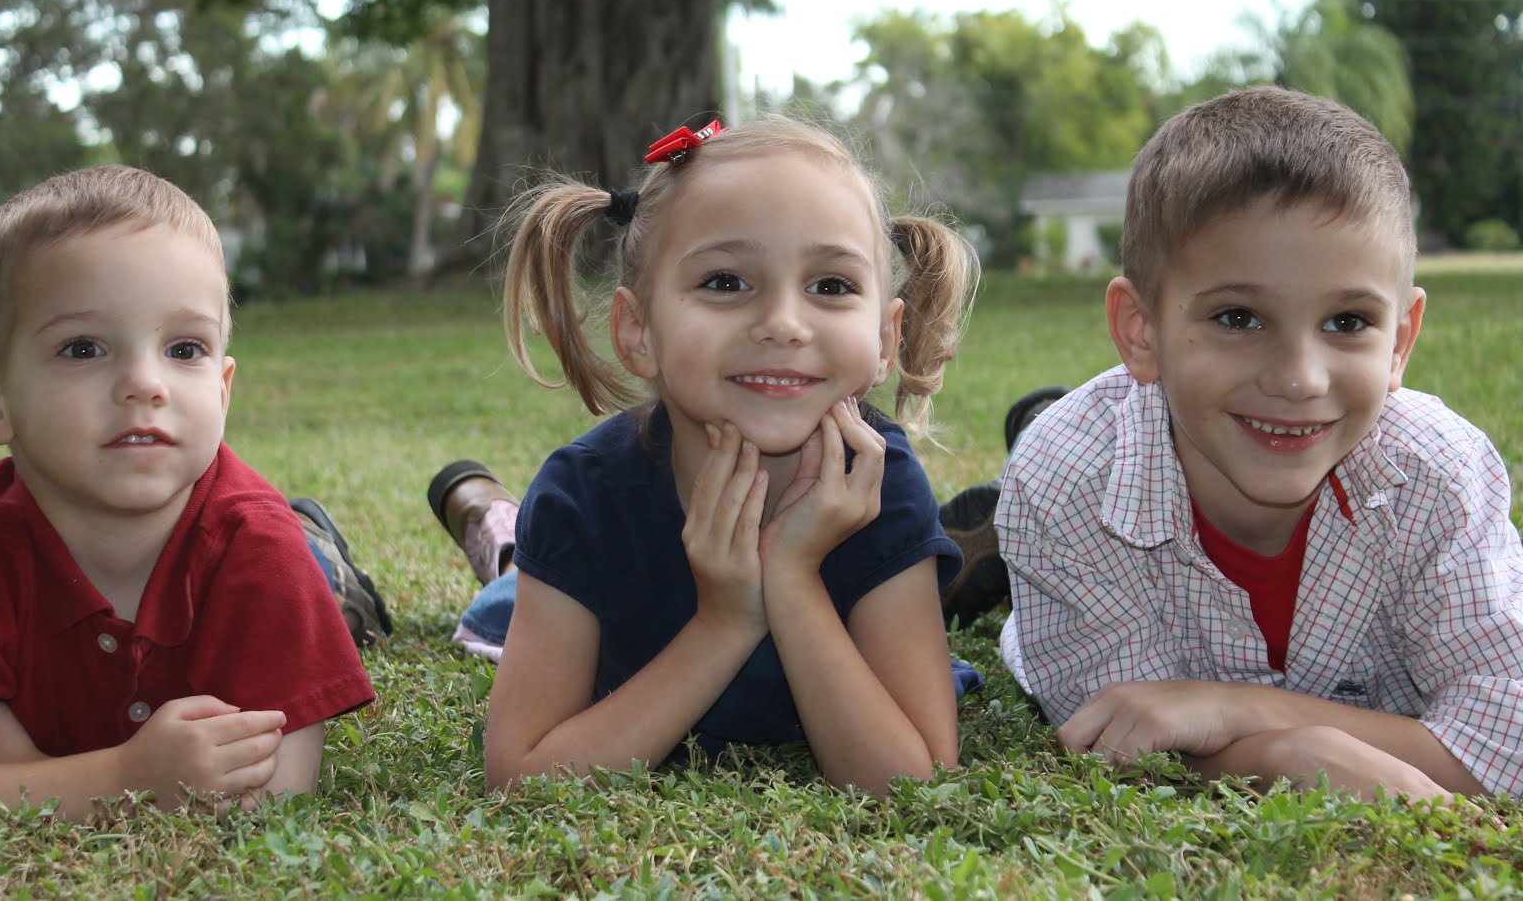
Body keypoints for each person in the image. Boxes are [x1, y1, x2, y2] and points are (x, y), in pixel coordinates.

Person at [994, 87, 1523, 801]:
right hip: (1094, 467)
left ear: (1401, 342)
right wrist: (1296, 758)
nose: (1300, 379)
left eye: (1347, 322)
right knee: (1033, 475)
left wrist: (1256, 717)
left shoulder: (1438, 475)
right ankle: (992, 510)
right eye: (1239, 317)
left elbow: (1506, 742)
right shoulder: (1069, 482)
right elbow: (1120, 739)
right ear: (1140, 329)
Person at [431, 116, 981, 795]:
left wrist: (793, 577)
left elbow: (912, 780)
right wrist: (724, 621)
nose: (784, 322)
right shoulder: (584, 500)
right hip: (553, 587)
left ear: (884, 339)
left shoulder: (881, 486)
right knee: (505, 597)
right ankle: (489, 519)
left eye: (831, 285)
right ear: (639, 331)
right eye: (725, 281)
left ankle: (496, 525)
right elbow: (518, 778)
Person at [0, 166, 379, 818]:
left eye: (184, 347)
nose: (145, 383)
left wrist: (16, 767)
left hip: (285, 550)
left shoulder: (255, 544)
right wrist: (127, 776)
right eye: (83, 348)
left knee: (305, 562)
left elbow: (273, 794)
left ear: (222, 389)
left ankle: (327, 559)